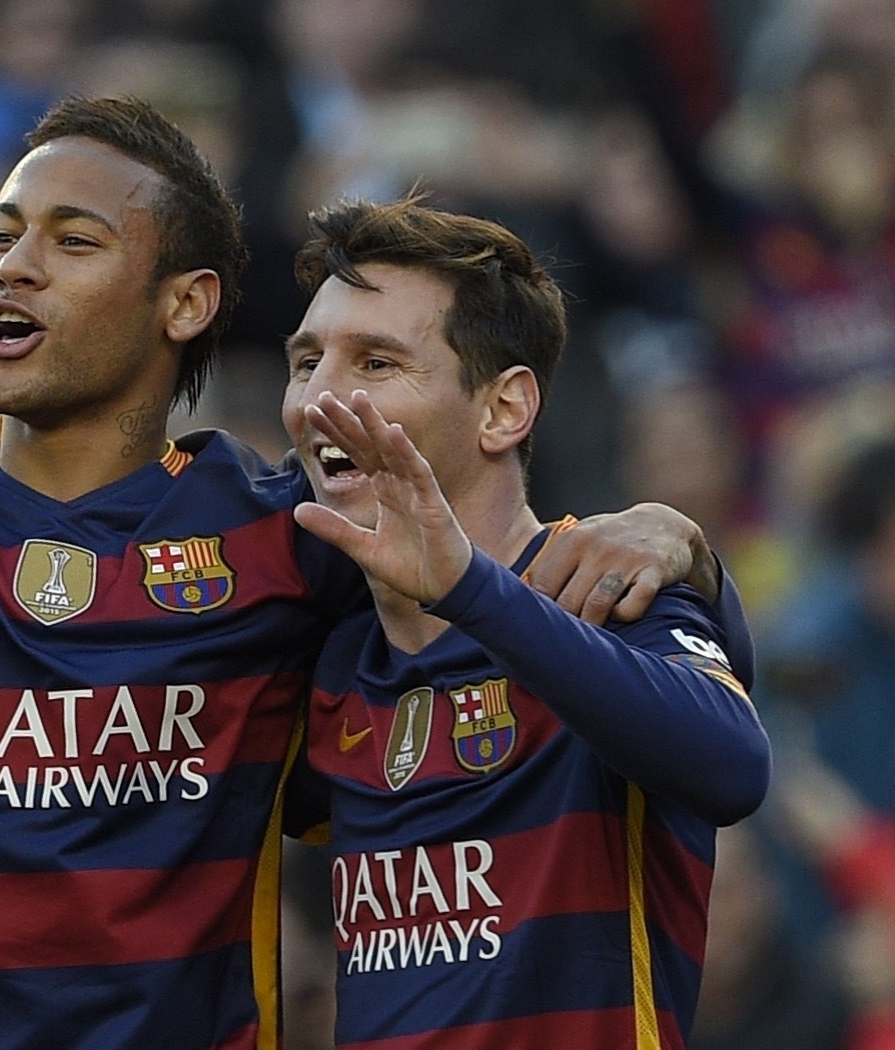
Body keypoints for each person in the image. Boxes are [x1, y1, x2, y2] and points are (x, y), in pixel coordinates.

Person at [0, 96, 725, 1047]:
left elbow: (497, 603)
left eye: (72, 240)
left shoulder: (287, 545)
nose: (13, 266)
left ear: (186, 303)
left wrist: (679, 537)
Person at [278, 196, 770, 1047]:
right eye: (306, 361)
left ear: (504, 409)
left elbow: (733, 767)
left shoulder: (606, 588)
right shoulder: (332, 655)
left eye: (377, 363)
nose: (321, 398)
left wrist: (470, 588)